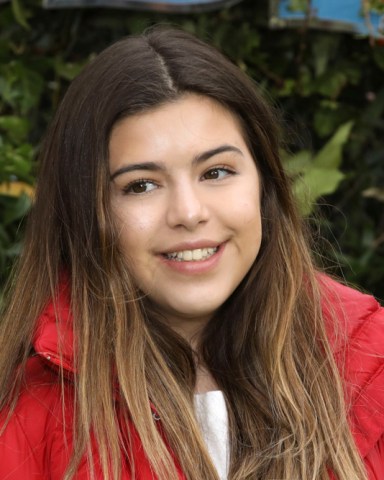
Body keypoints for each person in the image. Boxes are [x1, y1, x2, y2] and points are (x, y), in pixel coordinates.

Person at [0, 26, 383, 480]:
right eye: (141, 185)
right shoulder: (29, 414)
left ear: (264, 185)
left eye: (216, 171)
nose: (188, 212)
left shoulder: (369, 360)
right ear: (85, 214)